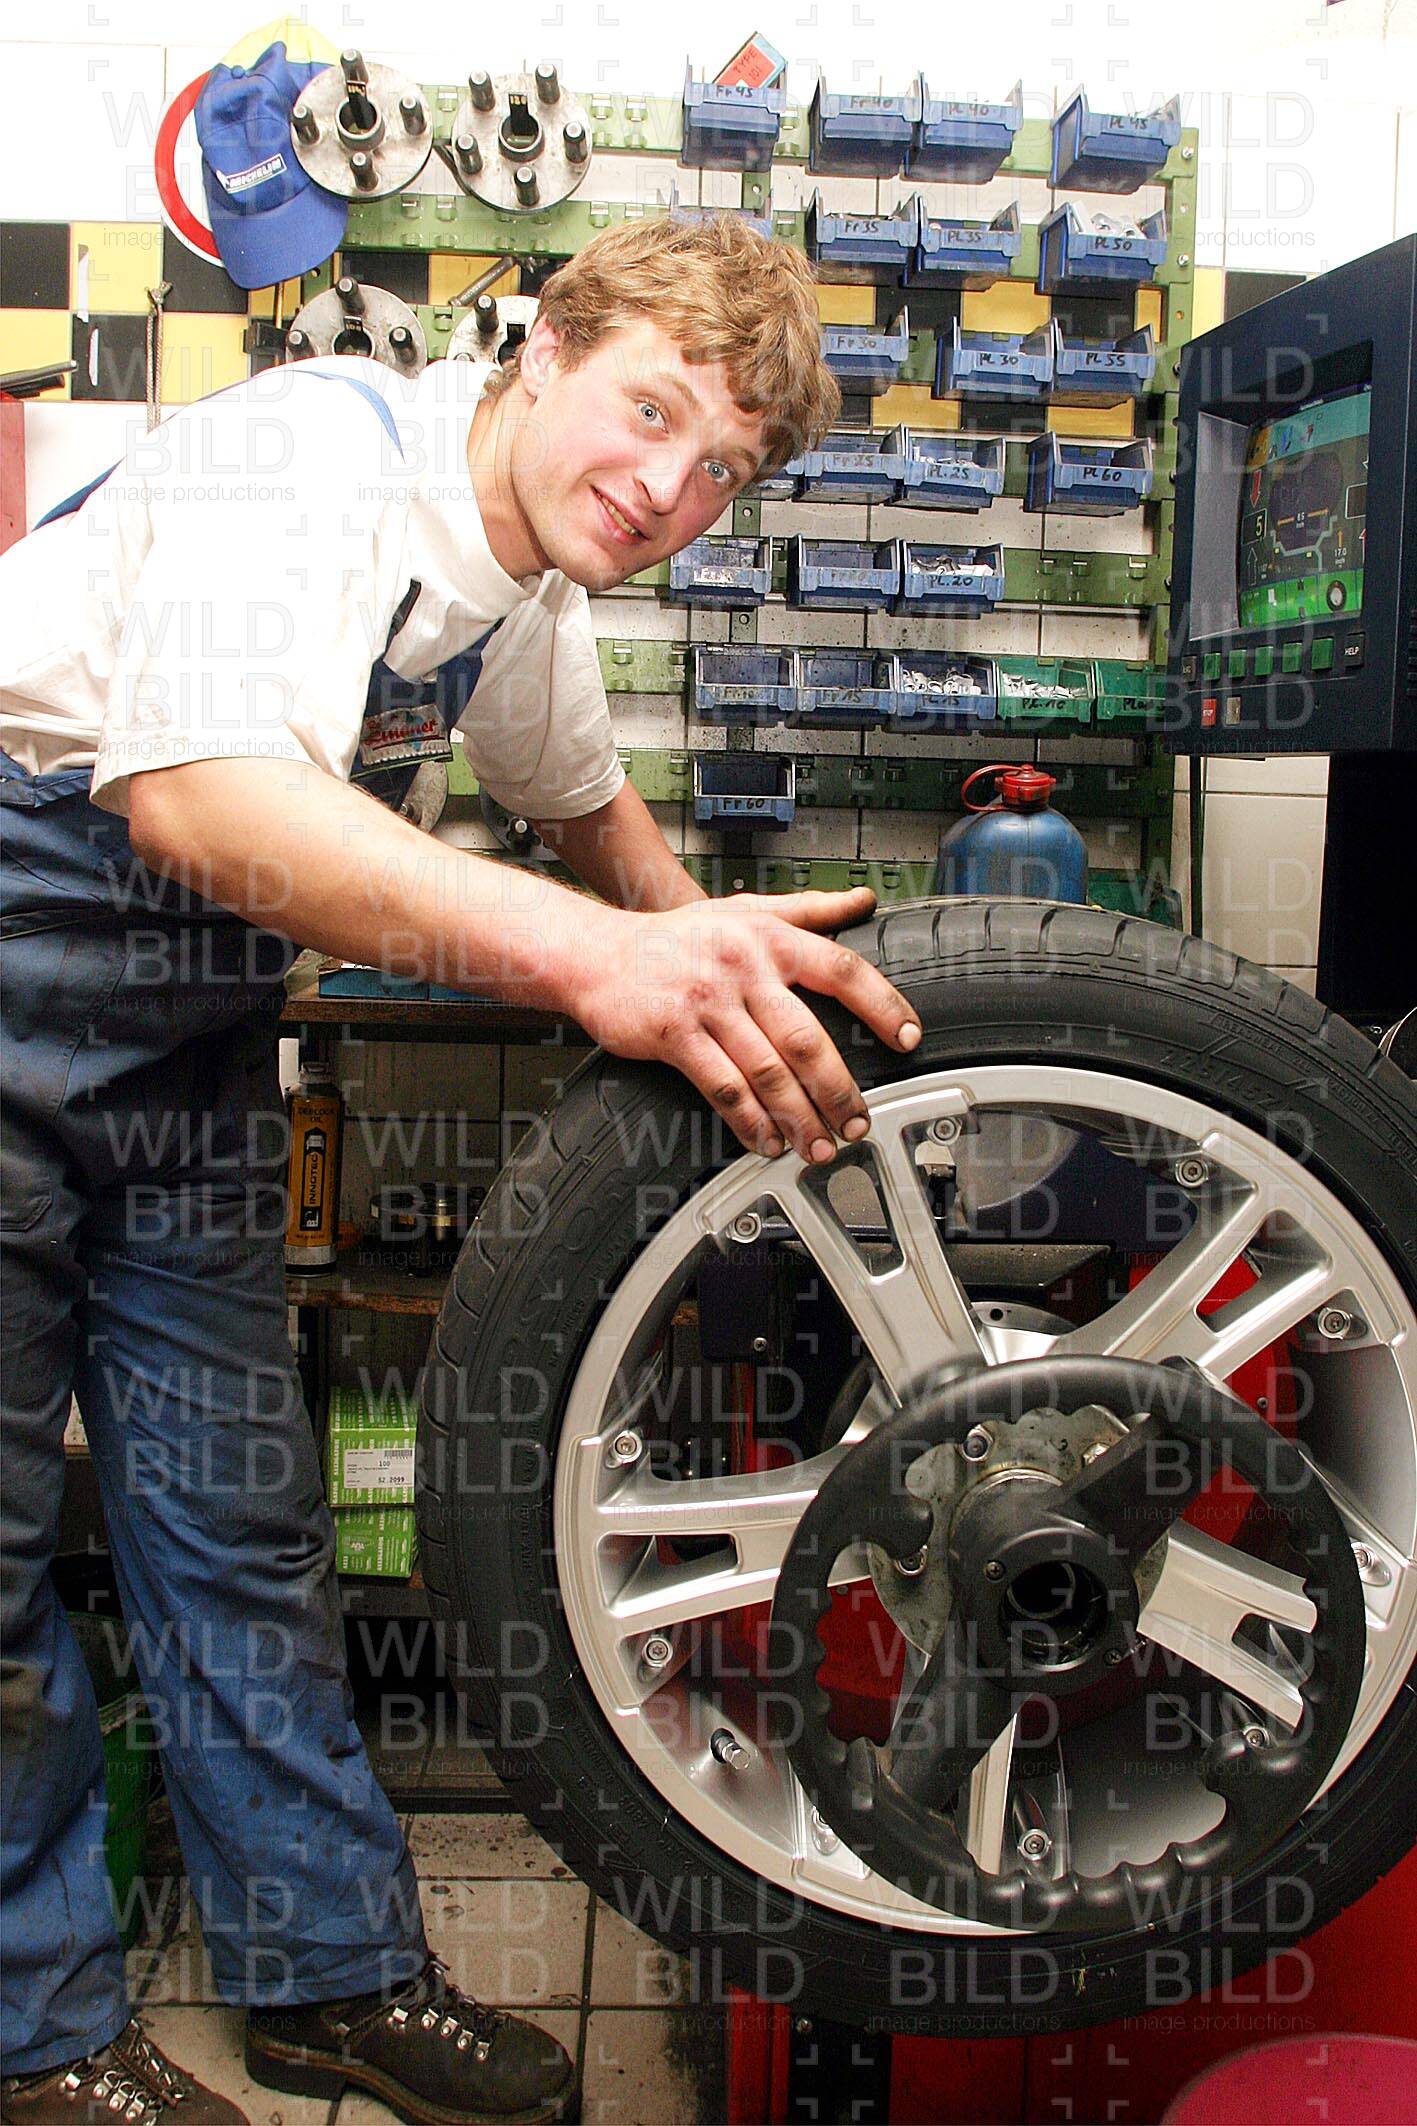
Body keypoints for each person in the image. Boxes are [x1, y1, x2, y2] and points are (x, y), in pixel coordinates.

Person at [0, 214, 922, 2126]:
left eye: (721, 467)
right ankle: (41, 2034)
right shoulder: (310, 456)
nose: (666, 488)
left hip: (176, 1038)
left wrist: (715, 969)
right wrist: (598, 964)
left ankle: (327, 1975)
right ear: (541, 350)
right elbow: (199, 800)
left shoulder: (524, 592)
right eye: (649, 410)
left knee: (239, 1516)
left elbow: (586, 811)